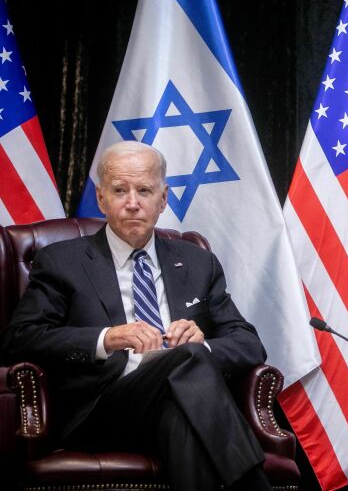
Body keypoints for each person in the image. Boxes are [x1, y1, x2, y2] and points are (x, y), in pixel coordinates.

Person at [0, 141, 272, 490]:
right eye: (119, 190)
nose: (132, 203)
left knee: (182, 399)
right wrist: (105, 338)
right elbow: (19, 338)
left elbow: (249, 343)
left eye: (144, 190)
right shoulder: (61, 261)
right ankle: (254, 482)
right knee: (185, 360)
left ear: (163, 199)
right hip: (102, 410)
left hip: (179, 401)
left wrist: (202, 346)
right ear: (101, 198)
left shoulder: (197, 261)